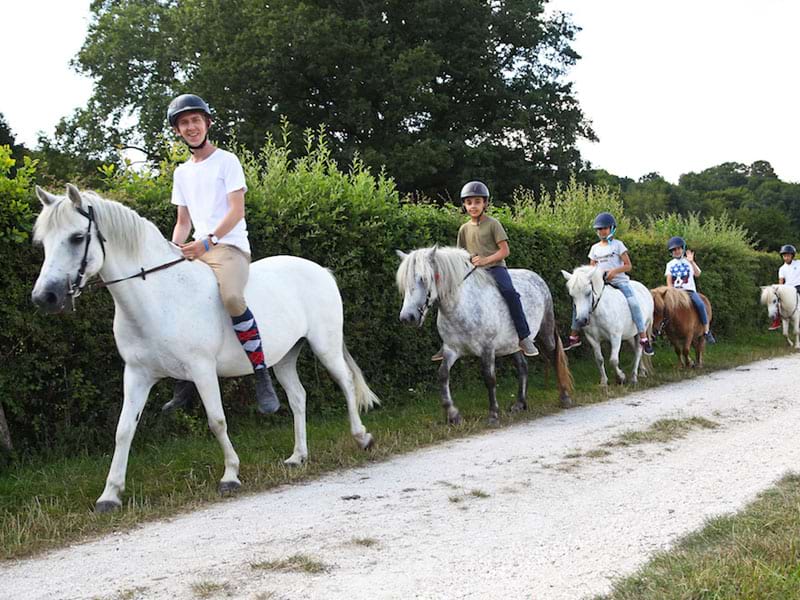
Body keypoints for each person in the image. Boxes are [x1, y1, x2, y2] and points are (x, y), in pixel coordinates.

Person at [163, 93, 280, 414]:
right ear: (178, 130)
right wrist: (174, 251)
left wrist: (208, 241)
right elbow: (182, 221)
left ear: (207, 123)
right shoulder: (181, 173)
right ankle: (185, 379)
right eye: (184, 123)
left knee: (231, 298)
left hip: (230, 247)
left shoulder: (227, 161)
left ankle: (261, 373)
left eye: (195, 121)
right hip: (199, 249)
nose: (190, 127)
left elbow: (236, 211)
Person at [431, 181, 538, 361]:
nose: (473, 206)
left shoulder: (493, 224)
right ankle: (448, 341)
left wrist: (485, 260)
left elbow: (505, 251)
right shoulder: (464, 229)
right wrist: (469, 261)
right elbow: (460, 255)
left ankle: (524, 336)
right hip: (473, 272)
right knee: (448, 295)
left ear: (485, 203)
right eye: (469, 202)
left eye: (477, 201)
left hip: (495, 269)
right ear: (464, 205)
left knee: (510, 293)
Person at [564, 212, 654, 356]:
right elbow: (592, 268)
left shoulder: (618, 245)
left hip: (619, 281)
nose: (602, 232)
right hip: (601, 284)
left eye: (604, 228)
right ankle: (574, 336)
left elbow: (628, 265)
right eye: (599, 229)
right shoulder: (595, 248)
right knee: (580, 303)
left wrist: (614, 271)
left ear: (611, 228)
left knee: (634, 303)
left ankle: (643, 337)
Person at [664, 236, 716, 343]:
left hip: (689, 291)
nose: (676, 251)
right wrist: (670, 292)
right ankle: (664, 331)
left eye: (678, 249)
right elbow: (669, 280)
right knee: (663, 308)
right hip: (676, 293)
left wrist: (692, 262)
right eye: (674, 250)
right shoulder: (670, 264)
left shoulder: (688, 262)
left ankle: (706, 330)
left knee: (700, 304)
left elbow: (697, 274)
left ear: (682, 249)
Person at [769, 244, 800, 330]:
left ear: (792, 256)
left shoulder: (798, 264)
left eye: (788, 255)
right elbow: (781, 282)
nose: (786, 257)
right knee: (773, 300)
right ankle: (776, 321)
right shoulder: (782, 269)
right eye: (784, 256)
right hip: (788, 289)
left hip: (798, 286)